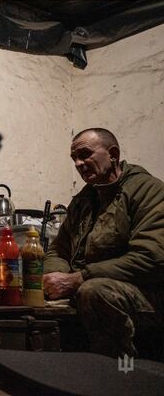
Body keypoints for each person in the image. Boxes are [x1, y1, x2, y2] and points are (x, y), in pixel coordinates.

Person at [43, 127, 164, 359]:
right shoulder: (83, 199)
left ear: (113, 154)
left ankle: (121, 375)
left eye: (85, 154)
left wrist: (79, 278)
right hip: (92, 287)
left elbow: (150, 258)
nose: (78, 163)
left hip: (149, 293)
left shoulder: (148, 191)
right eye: (74, 159)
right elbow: (59, 249)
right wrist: (55, 277)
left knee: (95, 291)